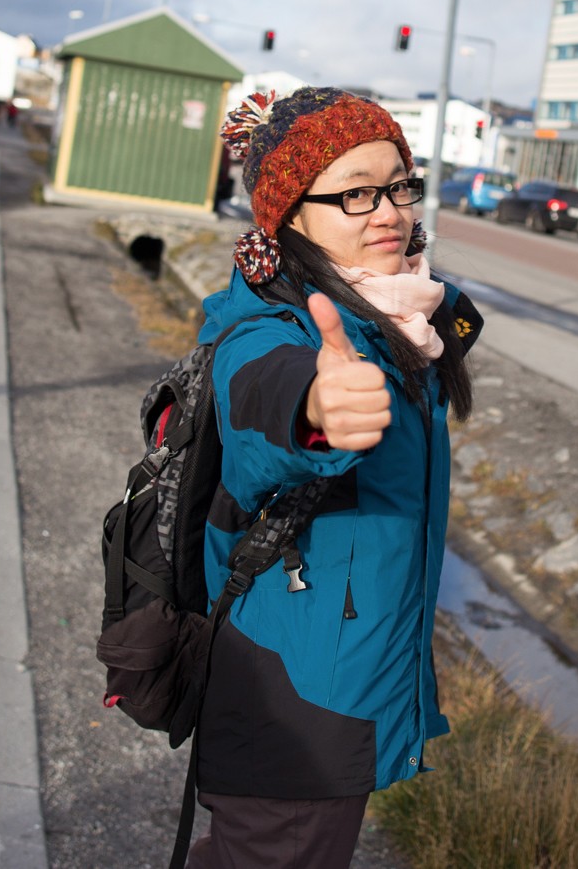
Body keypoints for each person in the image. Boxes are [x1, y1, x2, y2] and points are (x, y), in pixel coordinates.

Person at [185, 87, 481, 869]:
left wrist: (422, 305)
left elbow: (456, 317)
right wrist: (318, 409)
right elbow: (264, 404)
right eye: (353, 192)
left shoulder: (396, 315)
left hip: (336, 680)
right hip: (298, 704)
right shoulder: (272, 331)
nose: (388, 210)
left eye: (398, 185)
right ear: (289, 215)